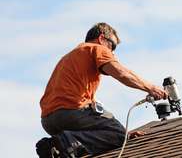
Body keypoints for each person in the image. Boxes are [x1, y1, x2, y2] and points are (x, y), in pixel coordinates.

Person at [36, 22, 168, 157]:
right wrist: (151, 88)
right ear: (101, 38)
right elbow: (121, 73)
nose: (112, 52)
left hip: (48, 120)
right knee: (118, 135)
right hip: (71, 112)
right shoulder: (97, 49)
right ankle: (63, 143)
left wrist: (118, 134)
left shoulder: (71, 57)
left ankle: (58, 148)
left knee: (85, 143)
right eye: (112, 46)